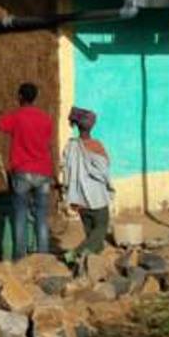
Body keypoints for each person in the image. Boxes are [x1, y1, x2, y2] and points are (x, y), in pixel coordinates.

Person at [0, 82, 55, 260]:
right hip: (43, 172)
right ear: (35, 97)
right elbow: (48, 145)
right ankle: (44, 258)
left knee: (20, 215)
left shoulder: (16, 117)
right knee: (41, 216)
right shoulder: (45, 119)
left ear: (19, 97)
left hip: (23, 172)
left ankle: (20, 258)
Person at [61, 106, 114, 264]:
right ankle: (75, 254)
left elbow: (66, 171)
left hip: (79, 198)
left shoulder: (70, 147)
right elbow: (105, 167)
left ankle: (88, 265)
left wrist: (69, 195)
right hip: (97, 197)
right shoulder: (96, 145)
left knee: (91, 236)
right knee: (100, 230)